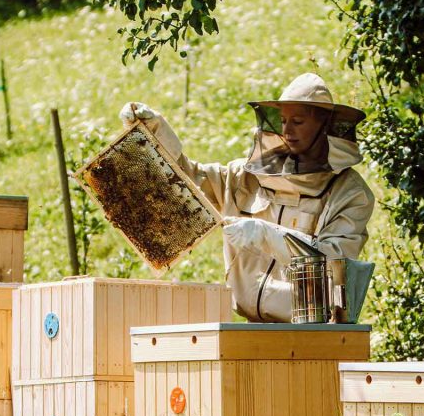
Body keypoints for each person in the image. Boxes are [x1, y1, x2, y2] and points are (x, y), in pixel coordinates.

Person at [120, 73, 375, 322]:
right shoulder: (246, 176)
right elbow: (189, 179)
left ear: (323, 126)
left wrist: (267, 235)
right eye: (283, 120)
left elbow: (336, 260)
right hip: (250, 326)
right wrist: (154, 132)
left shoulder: (350, 193)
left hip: (312, 333)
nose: (287, 130)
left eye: (297, 121)